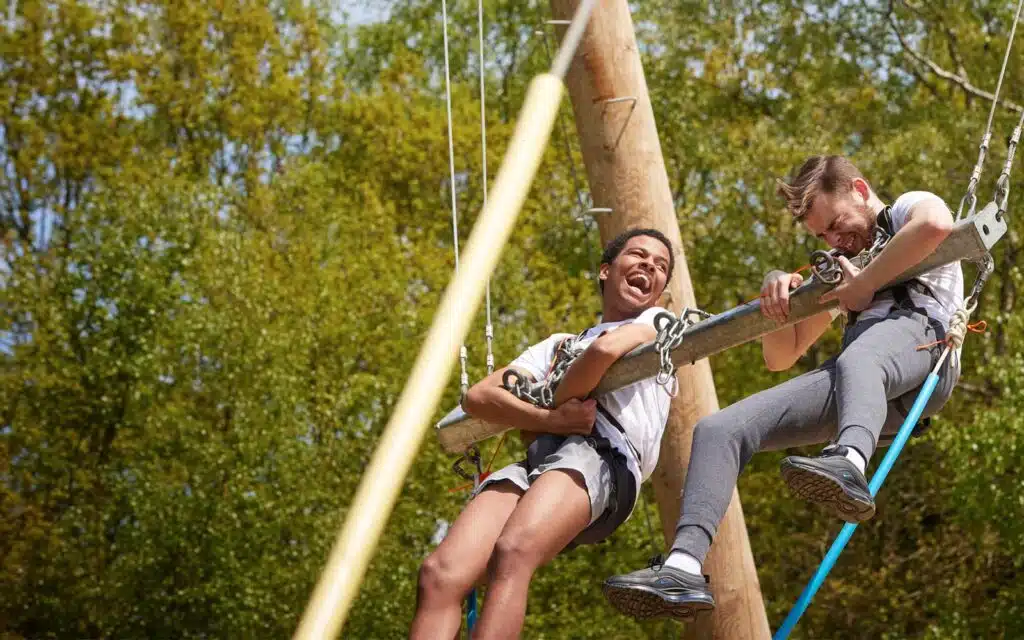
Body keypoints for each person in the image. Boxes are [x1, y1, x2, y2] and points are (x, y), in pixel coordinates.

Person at [603, 155, 963, 621]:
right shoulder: (842, 266)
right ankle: (683, 566)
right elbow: (781, 356)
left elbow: (935, 225)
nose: (835, 241)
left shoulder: (905, 211)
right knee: (720, 429)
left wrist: (866, 285)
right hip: (865, 384)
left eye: (837, 224)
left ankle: (851, 459)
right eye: (823, 237)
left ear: (859, 188)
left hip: (924, 346)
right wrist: (776, 297)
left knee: (861, 356)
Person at [410, 228, 677, 639]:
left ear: (660, 292)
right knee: (440, 574)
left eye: (660, 266)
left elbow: (604, 353)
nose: (649, 267)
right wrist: (551, 420)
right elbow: (479, 396)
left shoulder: (659, 322)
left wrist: (550, 403)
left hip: (604, 454)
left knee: (512, 552)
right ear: (606, 271)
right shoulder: (559, 345)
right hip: (545, 451)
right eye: (638, 255)